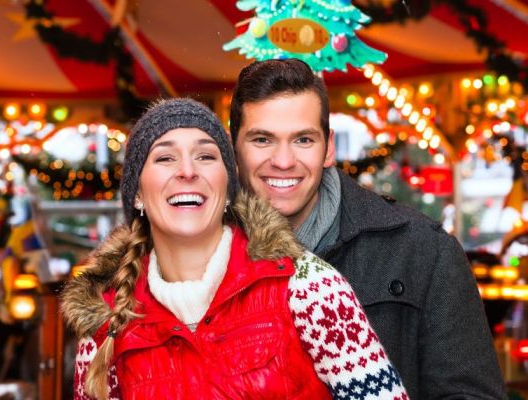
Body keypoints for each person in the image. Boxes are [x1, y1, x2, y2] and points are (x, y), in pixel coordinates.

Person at [62, 98, 407, 399]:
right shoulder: (105, 325)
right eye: (165, 158)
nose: (187, 171)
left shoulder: (307, 287)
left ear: (228, 189)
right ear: (137, 194)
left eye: (206, 156)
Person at [229, 58, 505, 399]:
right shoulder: (203, 256)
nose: (284, 161)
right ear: (233, 149)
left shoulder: (422, 251)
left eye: (303, 140)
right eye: (262, 140)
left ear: (328, 148)